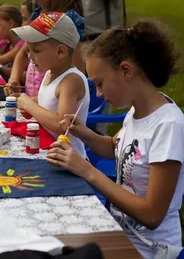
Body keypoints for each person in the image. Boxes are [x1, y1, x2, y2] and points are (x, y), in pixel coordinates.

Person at [47, 20, 184, 258]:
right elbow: (116, 147)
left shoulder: (168, 126)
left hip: (149, 249)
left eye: (99, 84)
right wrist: (83, 132)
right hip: (120, 231)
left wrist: (87, 171)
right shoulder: (137, 111)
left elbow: (152, 215)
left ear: (126, 70)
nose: (98, 94)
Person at [12, 12, 89, 159]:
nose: (29, 56)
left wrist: (29, 105)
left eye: (36, 50)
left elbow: (61, 125)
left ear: (60, 51)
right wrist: (34, 102)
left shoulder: (71, 80)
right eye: (29, 50)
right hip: (48, 151)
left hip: (68, 160)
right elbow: (51, 103)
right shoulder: (50, 73)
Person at [4, 0, 85, 97]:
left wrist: (36, 102)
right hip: (36, 101)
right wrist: (13, 79)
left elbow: (77, 73)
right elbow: (23, 53)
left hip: (57, 104)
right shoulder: (39, 15)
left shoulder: (68, 23)